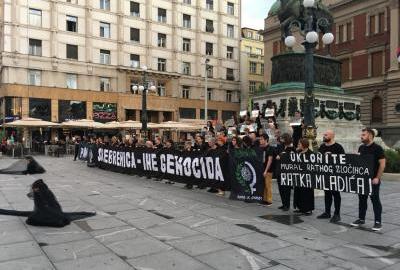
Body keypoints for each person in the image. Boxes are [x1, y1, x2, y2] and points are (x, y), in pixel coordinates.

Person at [351, 128, 386, 231]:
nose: (361, 136)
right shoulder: (361, 148)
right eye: (361, 135)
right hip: (363, 180)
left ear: (370, 136)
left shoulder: (377, 148)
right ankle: (361, 219)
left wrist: (377, 178)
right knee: (362, 200)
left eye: (364, 135)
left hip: (373, 179)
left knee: (375, 200)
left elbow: (382, 164)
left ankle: (378, 222)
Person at [317, 130, 345, 223]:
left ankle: (337, 214)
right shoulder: (322, 146)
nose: (324, 136)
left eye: (326, 135)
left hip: (335, 175)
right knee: (327, 193)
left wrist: (332, 156)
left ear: (332, 136)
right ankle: (327, 212)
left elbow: (343, 160)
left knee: (336, 194)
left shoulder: (338, 147)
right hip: (325, 174)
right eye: (324, 134)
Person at [293, 138, 314, 215]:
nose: (298, 145)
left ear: (304, 145)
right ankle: (300, 207)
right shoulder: (297, 152)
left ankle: (308, 209)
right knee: (298, 192)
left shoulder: (311, 154)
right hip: (298, 176)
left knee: (306, 193)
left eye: (299, 144)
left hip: (307, 177)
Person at [276, 133, 296, 211]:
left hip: (287, 171)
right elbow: (277, 155)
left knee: (286, 189)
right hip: (279, 169)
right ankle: (283, 203)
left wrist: (282, 156)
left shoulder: (292, 148)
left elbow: (292, 158)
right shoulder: (280, 147)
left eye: (282, 139)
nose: (281, 140)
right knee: (281, 188)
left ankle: (287, 205)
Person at [260, 134, 273, 206]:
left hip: (268, 170)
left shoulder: (270, 148)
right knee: (263, 185)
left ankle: (269, 200)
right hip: (262, 168)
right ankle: (264, 199)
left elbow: (270, 160)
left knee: (268, 185)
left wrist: (265, 170)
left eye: (262, 139)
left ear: (266, 140)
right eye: (260, 139)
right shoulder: (262, 148)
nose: (260, 141)